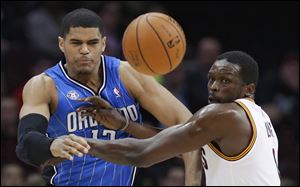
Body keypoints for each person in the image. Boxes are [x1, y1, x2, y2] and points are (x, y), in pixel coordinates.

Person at [15, 8, 198, 186]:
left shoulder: (128, 75)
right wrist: (51, 145)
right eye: (76, 43)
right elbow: (26, 144)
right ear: (62, 44)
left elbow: (192, 132)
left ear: (103, 44)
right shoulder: (44, 85)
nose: (85, 50)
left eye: (92, 43)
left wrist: (125, 125)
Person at [72, 51, 281, 185]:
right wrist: (124, 124)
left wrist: (78, 144)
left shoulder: (225, 114)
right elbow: (175, 142)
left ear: (248, 89)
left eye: (225, 81)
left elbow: (141, 154)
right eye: (211, 79)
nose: (214, 86)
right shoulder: (258, 116)